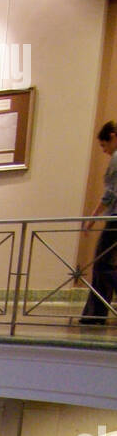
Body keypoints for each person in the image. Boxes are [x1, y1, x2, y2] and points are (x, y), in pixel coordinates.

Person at [80, 120, 117, 326]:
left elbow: (110, 194)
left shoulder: (116, 158)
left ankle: (96, 312)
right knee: (106, 264)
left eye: (104, 145)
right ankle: (96, 312)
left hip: (115, 219)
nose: (104, 151)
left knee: (102, 264)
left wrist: (93, 218)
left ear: (112, 137)